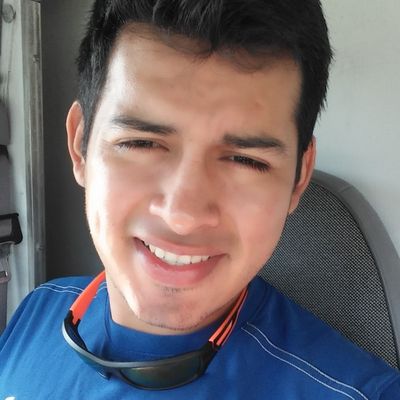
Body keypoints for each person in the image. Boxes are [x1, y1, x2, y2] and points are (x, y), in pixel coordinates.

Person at [1, 0, 399, 398]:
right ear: (80, 146)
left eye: (245, 160)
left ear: (299, 178)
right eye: (141, 143)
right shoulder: (37, 310)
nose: (182, 215)